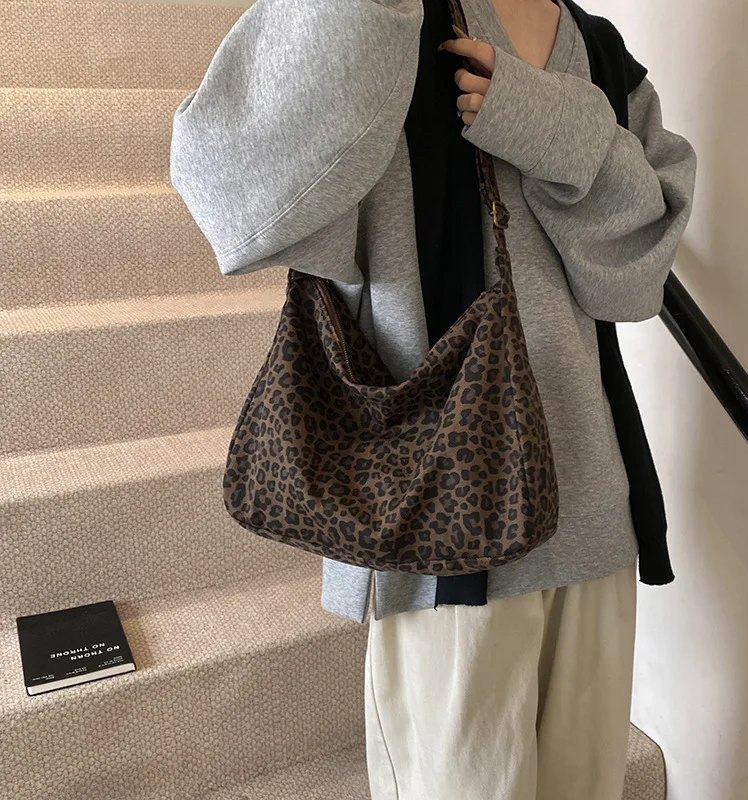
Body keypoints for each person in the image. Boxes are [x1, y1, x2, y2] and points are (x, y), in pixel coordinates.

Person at [169, 0, 697, 795]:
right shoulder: (380, 19)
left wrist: (543, 119)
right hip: (440, 529)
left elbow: (630, 278)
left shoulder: (600, 50)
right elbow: (228, 186)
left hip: (593, 514)